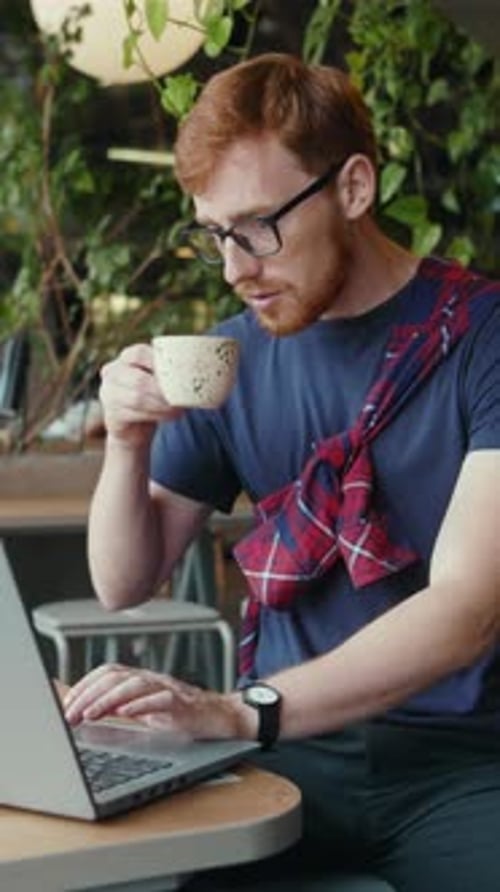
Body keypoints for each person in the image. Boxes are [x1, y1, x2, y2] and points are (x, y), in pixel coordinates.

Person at [63, 53, 500, 891]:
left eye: (259, 226)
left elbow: (466, 612)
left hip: (465, 759)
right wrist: (125, 442)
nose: (235, 266)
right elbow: (124, 581)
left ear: (354, 187)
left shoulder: (483, 338)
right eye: (216, 235)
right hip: (290, 762)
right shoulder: (233, 356)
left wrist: (237, 710)